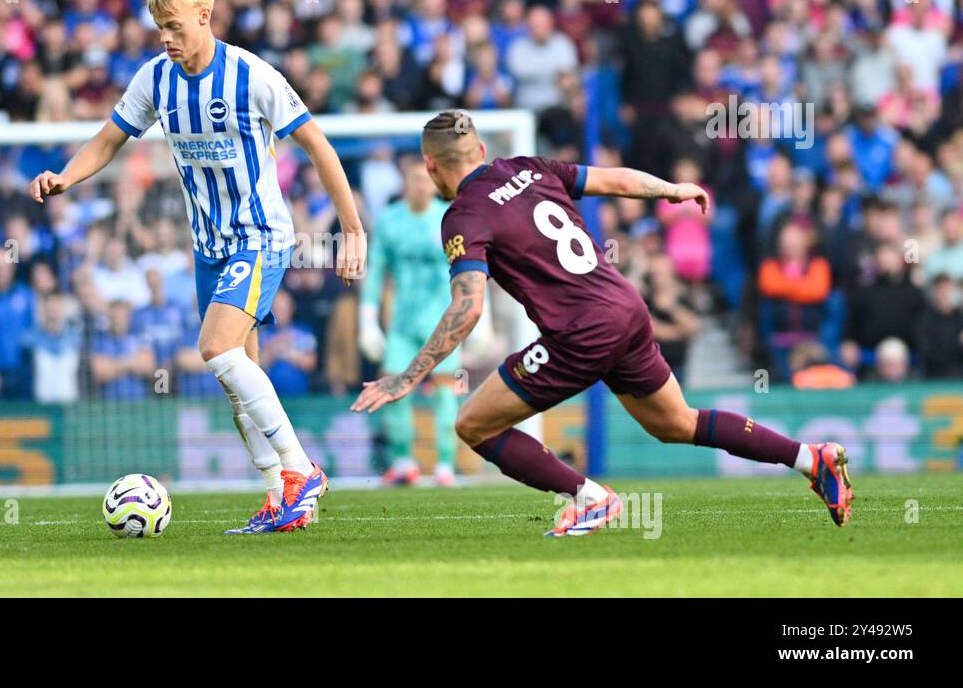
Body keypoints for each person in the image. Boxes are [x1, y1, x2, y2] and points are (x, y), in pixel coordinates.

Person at [353, 110, 854, 536]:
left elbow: (468, 306)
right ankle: (812, 459)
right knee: (678, 423)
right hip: (626, 308)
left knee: (473, 423)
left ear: (430, 165)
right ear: (482, 149)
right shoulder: (529, 167)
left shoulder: (463, 216)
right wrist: (672, 190)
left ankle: (589, 497)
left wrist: (406, 376)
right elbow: (615, 180)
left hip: (579, 332)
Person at [29, 0, 366, 533]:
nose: (166, 36)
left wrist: (352, 229)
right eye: (159, 26)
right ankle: (277, 497)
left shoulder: (250, 74)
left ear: (205, 16)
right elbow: (110, 138)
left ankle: (302, 469)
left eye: (175, 25)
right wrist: (66, 178)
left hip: (260, 236)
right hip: (209, 245)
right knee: (237, 372)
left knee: (215, 348)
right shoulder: (155, 79)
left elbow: (318, 145)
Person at [360, 158, 461, 487]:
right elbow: (375, 270)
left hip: (442, 324)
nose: (421, 185)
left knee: (447, 391)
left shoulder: (449, 218)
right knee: (391, 387)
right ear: (405, 183)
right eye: (415, 179)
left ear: (434, 182)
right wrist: (367, 319)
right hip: (402, 324)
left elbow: (469, 271)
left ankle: (446, 464)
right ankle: (404, 461)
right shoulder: (389, 221)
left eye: (426, 179)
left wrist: (480, 320)